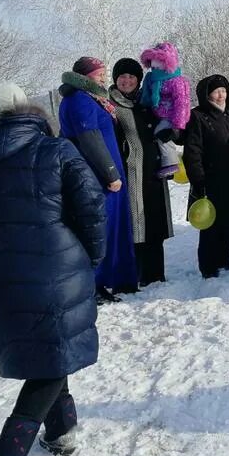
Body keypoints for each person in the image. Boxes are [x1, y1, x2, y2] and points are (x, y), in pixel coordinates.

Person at [0, 80, 105, 456]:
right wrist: (90, 258)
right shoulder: (53, 149)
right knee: (52, 356)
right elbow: (91, 206)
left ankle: (61, 431)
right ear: (24, 108)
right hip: (53, 266)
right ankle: (10, 453)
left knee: (51, 349)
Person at [58, 56, 138, 302]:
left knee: (114, 226)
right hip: (97, 175)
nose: (103, 77)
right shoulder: (79, 99)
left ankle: (117, 277)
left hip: (105, 171)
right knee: (99, 228)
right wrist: (110, 174)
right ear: (84, 75)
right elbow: (90, 139)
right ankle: (96, 283)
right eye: (98, 73)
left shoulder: (91, 97)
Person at [109, 58, 174, 287]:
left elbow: (164, 127)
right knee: (137, 224)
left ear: (138, 80)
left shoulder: (147, 102)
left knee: (156, 220)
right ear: (115, 80)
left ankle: (157, 273)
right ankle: (138, 274)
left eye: (132, 77)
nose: (127, 81)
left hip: (154, 171)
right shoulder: (111, 107)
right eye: (122, 77)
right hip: (130, 173)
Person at [183, 74, 229, 279]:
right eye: (216, 91)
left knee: (227, 222)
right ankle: (208, 266)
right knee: (211, 224)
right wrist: (198, 179)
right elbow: (193, 151)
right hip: (210, 180)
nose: (221, 95)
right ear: (207, 94)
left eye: (224, 91)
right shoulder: (198, 116)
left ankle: (224, 259)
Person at [137, 42, 191, 178]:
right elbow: (146, 94)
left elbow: (182, 102)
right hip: (159, 115)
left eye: (158, 63)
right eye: (153, 64)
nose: (154, 67)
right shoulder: (154, 80)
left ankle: (171, 163)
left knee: (161, 135)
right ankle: (167, 161)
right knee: (158, 135)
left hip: (171, 116)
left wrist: (177, 125)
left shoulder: (177, 81)